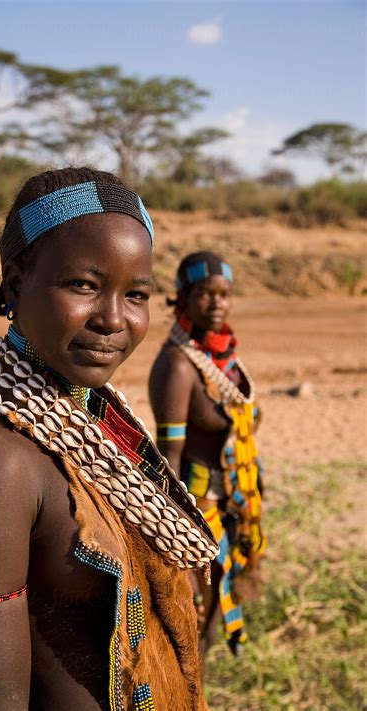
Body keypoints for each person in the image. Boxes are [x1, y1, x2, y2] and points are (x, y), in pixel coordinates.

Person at [0, 168, 219, 711]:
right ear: (16, 284)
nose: (113, 319)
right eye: (83, 285)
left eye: (136, 293)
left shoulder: (102, 428)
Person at [149, 251, 266, 661]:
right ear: (183, 298)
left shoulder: (223, 358)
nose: (216, 303)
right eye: (204, 294)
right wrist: (177, 533)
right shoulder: (179, 367)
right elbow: (169, 457)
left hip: (232, 495)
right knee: (199, 606)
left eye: (224, 294)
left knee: (220, 594)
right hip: (200, 505)